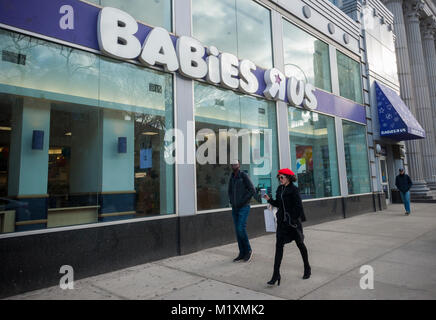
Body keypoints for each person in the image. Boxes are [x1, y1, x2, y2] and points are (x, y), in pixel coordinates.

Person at [263, 168, 311, 285]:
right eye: (279, 177)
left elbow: (299, 207)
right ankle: (275, 274)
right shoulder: (280, 189)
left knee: (300, 244)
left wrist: (292, 219)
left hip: (293, 224)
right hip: (282, 224)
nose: (280, 179)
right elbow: (279, 204)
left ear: (288, 177)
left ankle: (307, 267)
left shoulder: (294, 189)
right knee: (278, 247)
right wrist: (269, 200)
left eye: (282, 177)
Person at [228, 160, 256, 262]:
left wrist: (243, 201)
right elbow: (230, 191)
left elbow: (252, 190)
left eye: (236, 163)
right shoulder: (232, 177)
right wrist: (231, 200)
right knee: (237, 230)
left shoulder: (243, 175)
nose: (234, 165)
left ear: (239, 164)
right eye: (233, 164)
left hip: (244, 207)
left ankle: (248, 250)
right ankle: (242, 252)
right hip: (235, 208)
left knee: (240, 228)